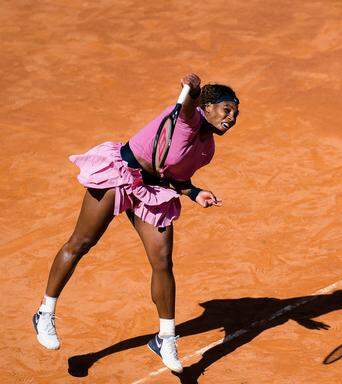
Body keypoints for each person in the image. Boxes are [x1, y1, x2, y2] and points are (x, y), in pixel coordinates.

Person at [32, 73, 239, 373]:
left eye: (236, 114)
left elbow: (176, 178)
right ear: (206, 107)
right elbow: (189, 104)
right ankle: (44, 312)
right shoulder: (187, 119)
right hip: (121, 174)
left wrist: (195, 193)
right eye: (226, 110)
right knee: (82, 242)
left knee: (162, 261)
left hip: (153, 191)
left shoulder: (207, 149)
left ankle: (165, 338)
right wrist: (193, 90)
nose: (232, 118)